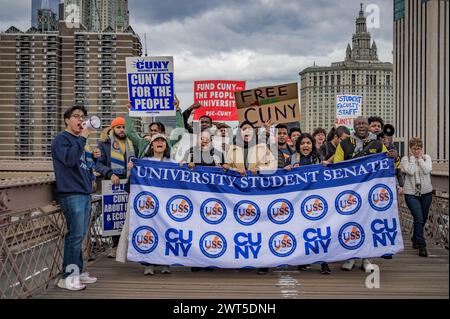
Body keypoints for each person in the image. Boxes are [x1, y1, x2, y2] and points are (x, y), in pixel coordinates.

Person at [334, 116, 396, 271]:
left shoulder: (378, 144)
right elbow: (337, 166)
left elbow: (390, 164)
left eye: (363, 123)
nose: (361, 126)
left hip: (370, 192)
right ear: (353, 127)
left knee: (368, 223)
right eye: (357, 124)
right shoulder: (344, 144)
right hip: (350, 193)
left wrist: (393, 157)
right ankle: (350, 257)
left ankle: (367, 259)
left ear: (368, 126)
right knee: (350, 224)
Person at [51, 105, 98, 290]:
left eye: (83, 116)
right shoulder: (61, 140)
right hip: (71, 193)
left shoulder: (80, 141)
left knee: (80, 235)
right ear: (66, 120)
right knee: (75, 236)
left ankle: (77, 272)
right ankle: (67, 277)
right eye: (77, 116)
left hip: (83, 192)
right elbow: (70, 160)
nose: (81, 120)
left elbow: (84, 166)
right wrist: (83, 139)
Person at [116, 133, 173, 275]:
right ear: (151, 145)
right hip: (148, 207)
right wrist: (132, 168)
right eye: (156, 140)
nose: (160, 142)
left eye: (163, 141)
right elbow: (131, 185)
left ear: (166, 146)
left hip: (165, 205)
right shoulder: (143, 161)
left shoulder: (172, 163)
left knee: (165, 233)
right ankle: (148, 263)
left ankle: (166, 263)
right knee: (148, 233)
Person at [225, 121, 277, 275]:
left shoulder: (263, 148)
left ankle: (263, 262)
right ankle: (243, 260)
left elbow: (273, 166)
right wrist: (234, 169)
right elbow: (226, 169)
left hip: (259, 194)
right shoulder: (232, 149)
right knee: (241, 228)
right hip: (238, 195)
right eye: (243, 129)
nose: (246, 132)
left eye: (248, 129)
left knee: (260, 228)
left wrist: (259, 169)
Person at [285, 133, 331, 275]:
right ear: (298, 146)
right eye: (303, 143)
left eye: (308, 143)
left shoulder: (318, 159)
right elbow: (285, 179)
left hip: (315, 201)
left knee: (319, 232)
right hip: (298, 201)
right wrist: (287, 170)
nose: (306, 146)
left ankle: (324, 263)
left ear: (312, 145)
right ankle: (303, 261)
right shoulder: (292, 159)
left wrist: (326, 166)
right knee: (301, 231)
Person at [95, 117, 136, 258]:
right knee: (115, 215)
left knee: (130, 214)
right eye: (118, 127)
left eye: (124, 127)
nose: (122, 130)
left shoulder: (132, 144)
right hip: (113, 184)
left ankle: (130, 247)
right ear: (112, 129)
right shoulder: (104, 145)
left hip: (130, 183)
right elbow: (98, 164)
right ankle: (115, 246)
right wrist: (110, 173)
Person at [400, 137, 433, 257]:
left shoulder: (426, 158)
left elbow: (427, 170)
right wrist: (413, 159)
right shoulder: (405, 159)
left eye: (418, 148)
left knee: (423, 219)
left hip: (426, 193)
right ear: (410, 149)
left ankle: (415, 238)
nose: (416, 151)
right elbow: (410, 171)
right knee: (418, 217)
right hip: (411, 194)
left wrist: (420, 160)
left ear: (422, 148)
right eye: (414, 148)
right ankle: (422, 245)